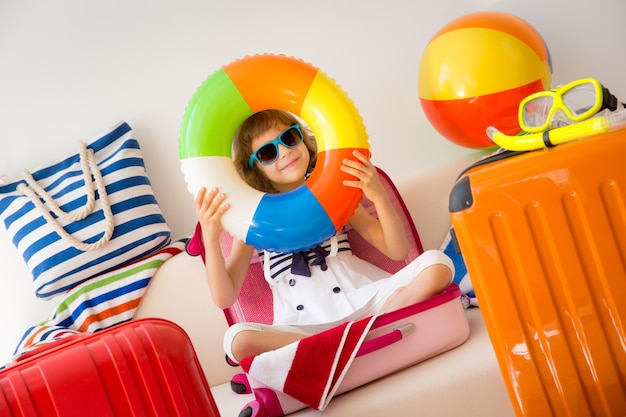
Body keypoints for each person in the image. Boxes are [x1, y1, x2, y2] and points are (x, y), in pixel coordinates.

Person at [195, 109, 454, 363]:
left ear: (303, 138)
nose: (284, 152)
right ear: (255, 168)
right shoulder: (253, 219)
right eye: (267, 153)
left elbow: (396, 251)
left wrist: (378, 197)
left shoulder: (332, 193)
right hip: (304, 327)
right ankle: (355, 341)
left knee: (437, 265)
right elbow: (224, 297)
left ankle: (344, 346)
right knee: (236, 340)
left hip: (364, 301)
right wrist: (210, 237)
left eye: (289, 138)